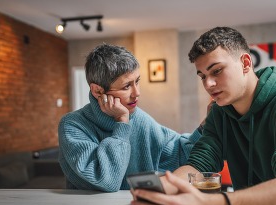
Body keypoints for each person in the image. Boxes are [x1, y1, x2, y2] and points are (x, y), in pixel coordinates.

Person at [131, 26, 276, 205]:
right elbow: (199, 165)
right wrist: (167, 186)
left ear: (246, 63)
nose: (208, 84)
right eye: (202, 76)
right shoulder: (219, 113)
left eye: (217, 71)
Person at [58, 44, 205, 192]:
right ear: (97, 91)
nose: (137, 93)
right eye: (126, 86)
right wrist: (121, 123)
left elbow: (180, 153)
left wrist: (205, 127)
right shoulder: (72, 125)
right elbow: (105, 181)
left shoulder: (140, 119)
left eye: (137, 81)